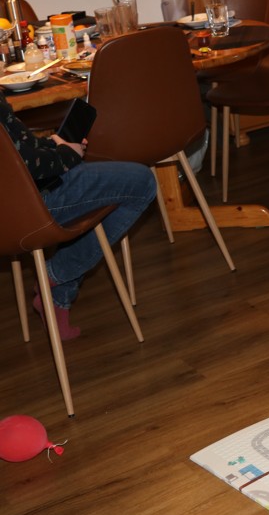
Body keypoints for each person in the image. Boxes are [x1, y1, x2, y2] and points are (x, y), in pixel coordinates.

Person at [2, 93, 156, 340]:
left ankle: (57, 299)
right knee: (142, 182)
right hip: (25, 207)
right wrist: (66, 155)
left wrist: (54, 145)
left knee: (85, 181)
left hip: (14, 203)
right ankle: (56, 276)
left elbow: (15, 147)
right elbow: (25, 164)